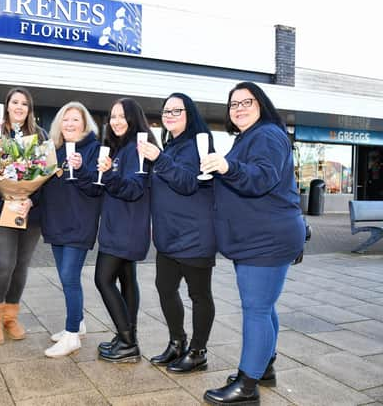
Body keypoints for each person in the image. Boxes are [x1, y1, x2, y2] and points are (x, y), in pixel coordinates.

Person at [200, 82, 306, 405]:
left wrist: (227, 165)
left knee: (256, 309)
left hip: (266, 239)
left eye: (247, 101)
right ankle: (265, 367)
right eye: (233, 104)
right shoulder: (249, 137)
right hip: (257, 237)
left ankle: (247, 386)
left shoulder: (268, 135)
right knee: (265, 306)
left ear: (261, 104)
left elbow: (261, 176)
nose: (239, 108)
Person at [138, 93, 216, 372]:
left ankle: (198, 352)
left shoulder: (199, 144)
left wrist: (158, 158)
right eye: (166, 111)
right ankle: (177, 342)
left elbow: (187, 183)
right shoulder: (170, 146)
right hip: (168, 236)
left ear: (189, 113)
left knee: (199, 295)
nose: (169, 115)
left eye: (176, 110)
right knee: (165, 288)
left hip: (194, 235)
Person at [94, 97, 157, 363]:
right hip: (120, 225)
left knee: (103, 279)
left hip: (125, 229)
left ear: (134, 119)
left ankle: (128, 342)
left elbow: (133, 189)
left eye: (122, 116)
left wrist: (108, 174)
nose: (117, 121)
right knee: (126, 280)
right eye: (113, 116)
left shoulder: (136, 148)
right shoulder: (121, 149)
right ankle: (126, 337)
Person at [0, 86, 48, 345]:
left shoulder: (40, 135)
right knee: (4, 263)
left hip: (30, 210)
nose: (19, 107)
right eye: (15, 102)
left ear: (29, 109)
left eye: (24, 103)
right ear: (7, 106)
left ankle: (10, 316)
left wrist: (30, 200)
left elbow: (46, 175)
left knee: (21, 266)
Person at [40, 101, 103, 357]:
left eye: (75, 119)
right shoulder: (52, 149)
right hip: (56, 222)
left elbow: (96, 188)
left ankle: (71, 336)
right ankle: (78, 322)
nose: (69, 124)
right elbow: (41, 184)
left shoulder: (94, 149)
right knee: (67, 278)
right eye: (65, 120)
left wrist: (82, 168)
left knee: (69, 277)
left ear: (85, 124)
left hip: (79, 223)